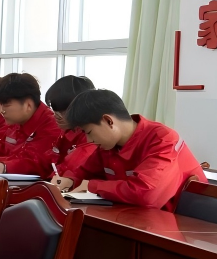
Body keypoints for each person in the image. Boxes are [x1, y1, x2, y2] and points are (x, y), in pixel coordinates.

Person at [52, 89, 207, 211]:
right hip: (137, 218)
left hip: (185, 226)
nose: (89, 140)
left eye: (89, 132)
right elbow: (86, 172)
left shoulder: (163, 139)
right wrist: (70, 180)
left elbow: (146, 193)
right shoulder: (109, 145)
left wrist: (92, 186)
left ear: (108, 121)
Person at [45, 75, 96, 173]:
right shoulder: (66, 130)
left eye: (64, 110)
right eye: (55, 109)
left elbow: (72, 170)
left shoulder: (91, 136)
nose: (57, 115)